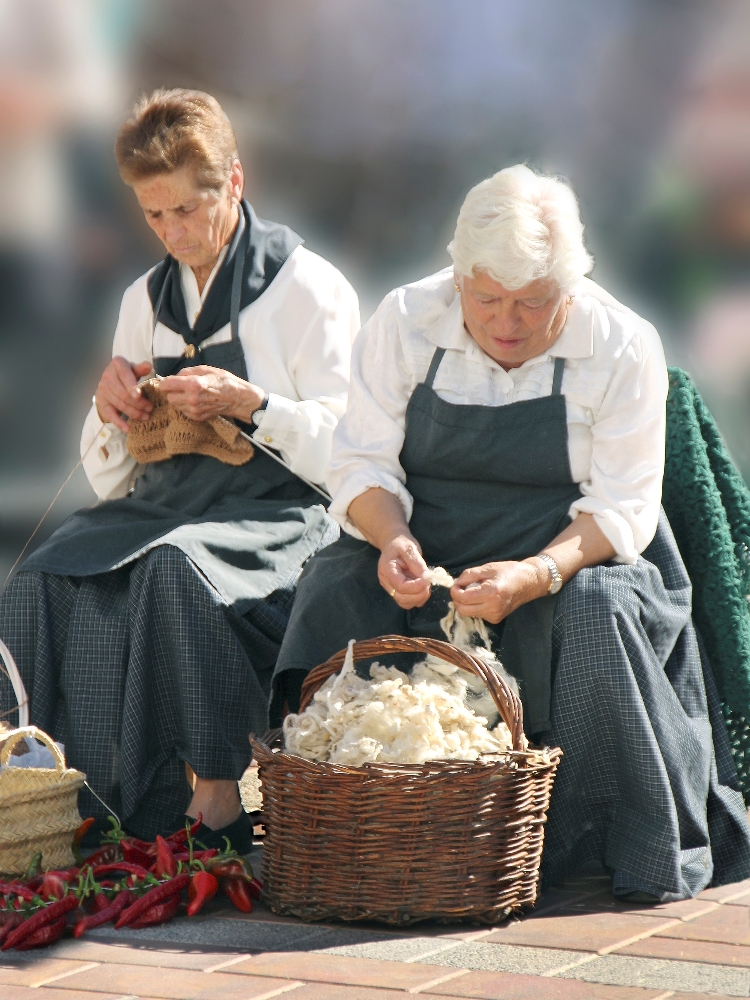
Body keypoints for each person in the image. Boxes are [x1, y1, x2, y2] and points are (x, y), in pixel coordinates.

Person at [273, 164, 750, 901]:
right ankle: (356, 819)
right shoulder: (403, 321)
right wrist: (393, 539)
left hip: (576, 556)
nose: (507, 321)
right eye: (487, 297)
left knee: (600, 612)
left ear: (571, 285)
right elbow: (360, 465)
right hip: (427, 546)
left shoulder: (622, 344)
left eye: (534, 302)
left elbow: (621, 508)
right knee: (334, 580)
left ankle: (603, 831)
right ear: (457, 273)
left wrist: (536, 575)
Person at [0, 89, 359, 847]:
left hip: (279, 516)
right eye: (153, 216)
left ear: (234, 180)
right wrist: (108, 408)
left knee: (171, 568)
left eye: (187, 211)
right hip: (166, 505)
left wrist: (253, 404)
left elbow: (351, 455)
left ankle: (217, 794)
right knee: (44, 574)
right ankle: (58, 795)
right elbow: (112, 480)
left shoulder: (309, 290)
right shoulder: (144, 299)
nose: (173, 233)